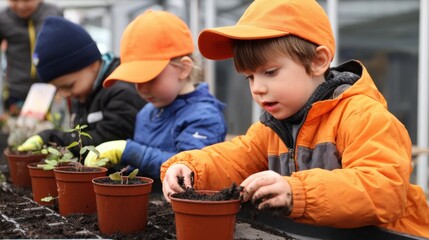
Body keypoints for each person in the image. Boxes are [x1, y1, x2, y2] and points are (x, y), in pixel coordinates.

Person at [160, 0, 429, 237]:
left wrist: (298, 193)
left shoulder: (363, 117)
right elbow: (233, 158)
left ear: (318, 61)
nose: (257, 88)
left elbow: (383, 190)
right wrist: (189, 167)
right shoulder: (273, 128)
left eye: (270, 72)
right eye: (250, 77)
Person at [84, 10, 227, 180]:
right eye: (135, 80)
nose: (141, 88)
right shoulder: (147, 113)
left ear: (183, 69)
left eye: (148, 77)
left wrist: (129, 151)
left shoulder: (204, 117)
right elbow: (142, 171)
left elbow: (189, 170)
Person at [17, 16, 146, 157]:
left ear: (91, 64)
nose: (65, 94)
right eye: (58, 88)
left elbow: (106, 140)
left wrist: (51, 137)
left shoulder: (121, 89)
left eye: (68, 85)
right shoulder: (85, 92)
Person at [0, 0, 63, 114]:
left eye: (27, 0)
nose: (21, 6)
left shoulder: (53, 12)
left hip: (50, 87)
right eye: (14, 0)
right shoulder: (3, 19)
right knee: (18, 128)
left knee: (51, 127)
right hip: (17, 89)